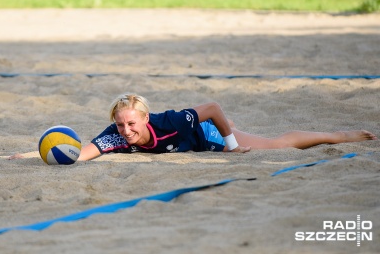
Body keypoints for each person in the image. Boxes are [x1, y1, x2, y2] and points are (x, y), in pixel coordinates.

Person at [77, 93, 376, 161]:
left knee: (274, 145)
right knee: (223, 122)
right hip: (187, 141)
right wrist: (37, 154)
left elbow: (212, 107)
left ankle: (340, 135)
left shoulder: (169, 121)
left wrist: (232, 145)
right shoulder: (114, 135)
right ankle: (229, 127)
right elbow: (78, 154)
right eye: (120, 124)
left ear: (145, 118)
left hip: (204, 137)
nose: (125, 130)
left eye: (131, 123)